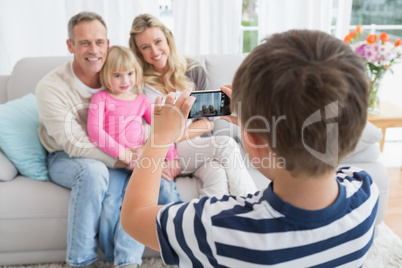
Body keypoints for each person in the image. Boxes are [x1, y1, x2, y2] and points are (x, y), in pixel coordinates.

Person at [121, 29, 379, 267]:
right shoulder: (366, 192)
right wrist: (252, 125)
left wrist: (158, 140)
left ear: (254, 142)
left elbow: (134, 217)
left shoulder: (217, 228)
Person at [36, 12, 147, 268]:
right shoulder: (51, 87)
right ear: (70, 46)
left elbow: (141, 116)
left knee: (146, 182)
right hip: (66, 156)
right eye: (84, 42)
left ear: (107, 43)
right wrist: (125, 159)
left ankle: (127, 260)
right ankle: (80, 261)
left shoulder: (121, 75)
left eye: (99, 41)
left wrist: (144, 153)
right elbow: (74, 143)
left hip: (124, 152)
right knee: (94, 171)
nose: (93, 50)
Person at [129, 13, 257, 197]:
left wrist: (172, 135)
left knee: (216, 173)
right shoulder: (136, 80)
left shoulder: (192, 70)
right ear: (138, 51)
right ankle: (253, 206)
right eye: (145, 47)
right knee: (227, 144)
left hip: (193, 145)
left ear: (168, 39)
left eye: (158, 42)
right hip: (163, 150)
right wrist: (163, 143)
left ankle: (210, 224)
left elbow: (208, 123)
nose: (155, 52)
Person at [87, 45, 181, 204]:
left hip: (142, 160)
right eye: (117, 75)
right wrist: (123, 153)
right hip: (114, 164)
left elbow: (161, 128)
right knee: (110, 204)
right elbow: (95, 131)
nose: (125, 81)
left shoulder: (142, 100)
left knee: (167, 190)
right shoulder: (100, 98)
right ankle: (107, 231)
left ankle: (179, 225)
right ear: (105, 74)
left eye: (130, 74)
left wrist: (171, 157)